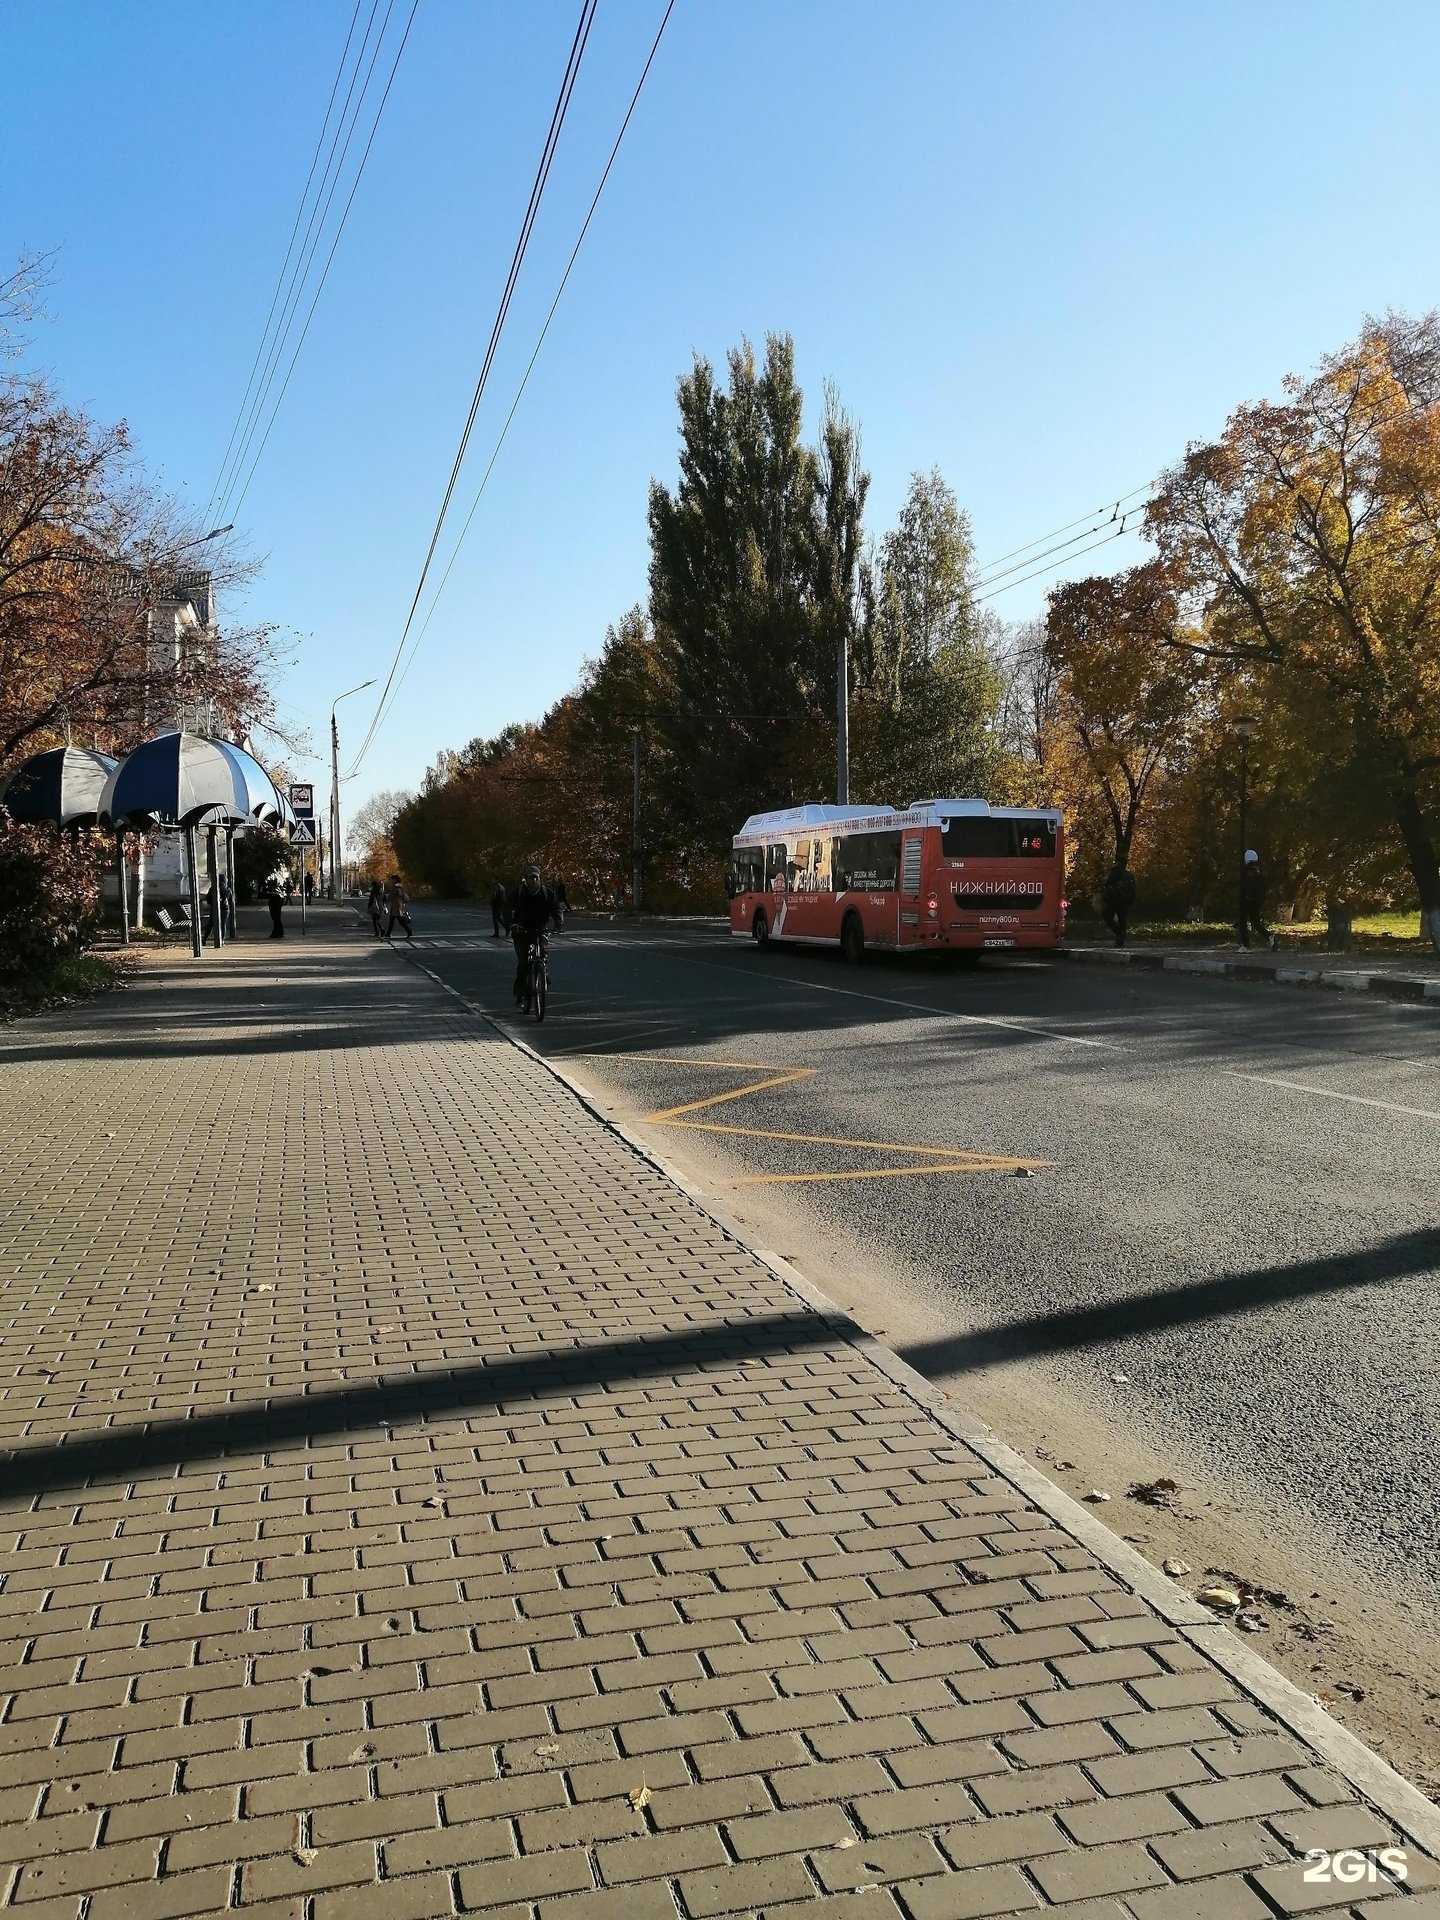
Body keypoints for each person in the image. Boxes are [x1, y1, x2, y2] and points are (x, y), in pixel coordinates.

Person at [508, 862, 564, 1009]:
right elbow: (507, 909)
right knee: (523, 963)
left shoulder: (547, 893)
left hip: (540, 929)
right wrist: (512, 925)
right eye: (529, 877)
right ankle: (520, 994)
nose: (533, 880)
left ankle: (542, 974)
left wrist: (558, 924)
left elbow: (557, 909)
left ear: (539, 878)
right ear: (525, 879)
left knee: (543, 956)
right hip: (521, 931)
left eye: (535, 877)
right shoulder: (518, 893)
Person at [1239, 849, 1276, 950]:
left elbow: (1247, 885)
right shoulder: (1259, 869)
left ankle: (1245, 945)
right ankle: (1269, 936)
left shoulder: (1249, 870)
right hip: (1256, 900)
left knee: (1243, 921)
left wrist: (1246, 896)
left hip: (1248, 899)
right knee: (1255, 923)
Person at [1101, 860, 1137, 948]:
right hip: (1125, 901)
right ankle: (1120, 939)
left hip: (1114, 901)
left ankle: (1119, 935)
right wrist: (1131, 900)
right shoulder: (1129, 875)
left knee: (1108, 917)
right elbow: (1133, 889)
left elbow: (1107, 885)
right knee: (1122, 920)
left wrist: (1106, 898)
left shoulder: (1114, 873)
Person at [385, 874, 415, 942]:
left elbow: (395, 895)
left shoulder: (397, 887)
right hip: (396, 906)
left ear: (395, 880)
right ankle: (388, 934)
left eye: (392, 879)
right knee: (392, 921)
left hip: (397, 906)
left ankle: (409, 931)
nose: (391, 881)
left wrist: (389, 896)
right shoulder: (399, 887)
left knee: (399, 921)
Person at [264, 866, 287, 939]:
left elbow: (272, 886)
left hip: (275, 897)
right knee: (276, 916)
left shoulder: (273, 876)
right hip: (278, 897)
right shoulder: (280, 875)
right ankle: (278, 931)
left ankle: (277, 932)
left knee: (275, 916)